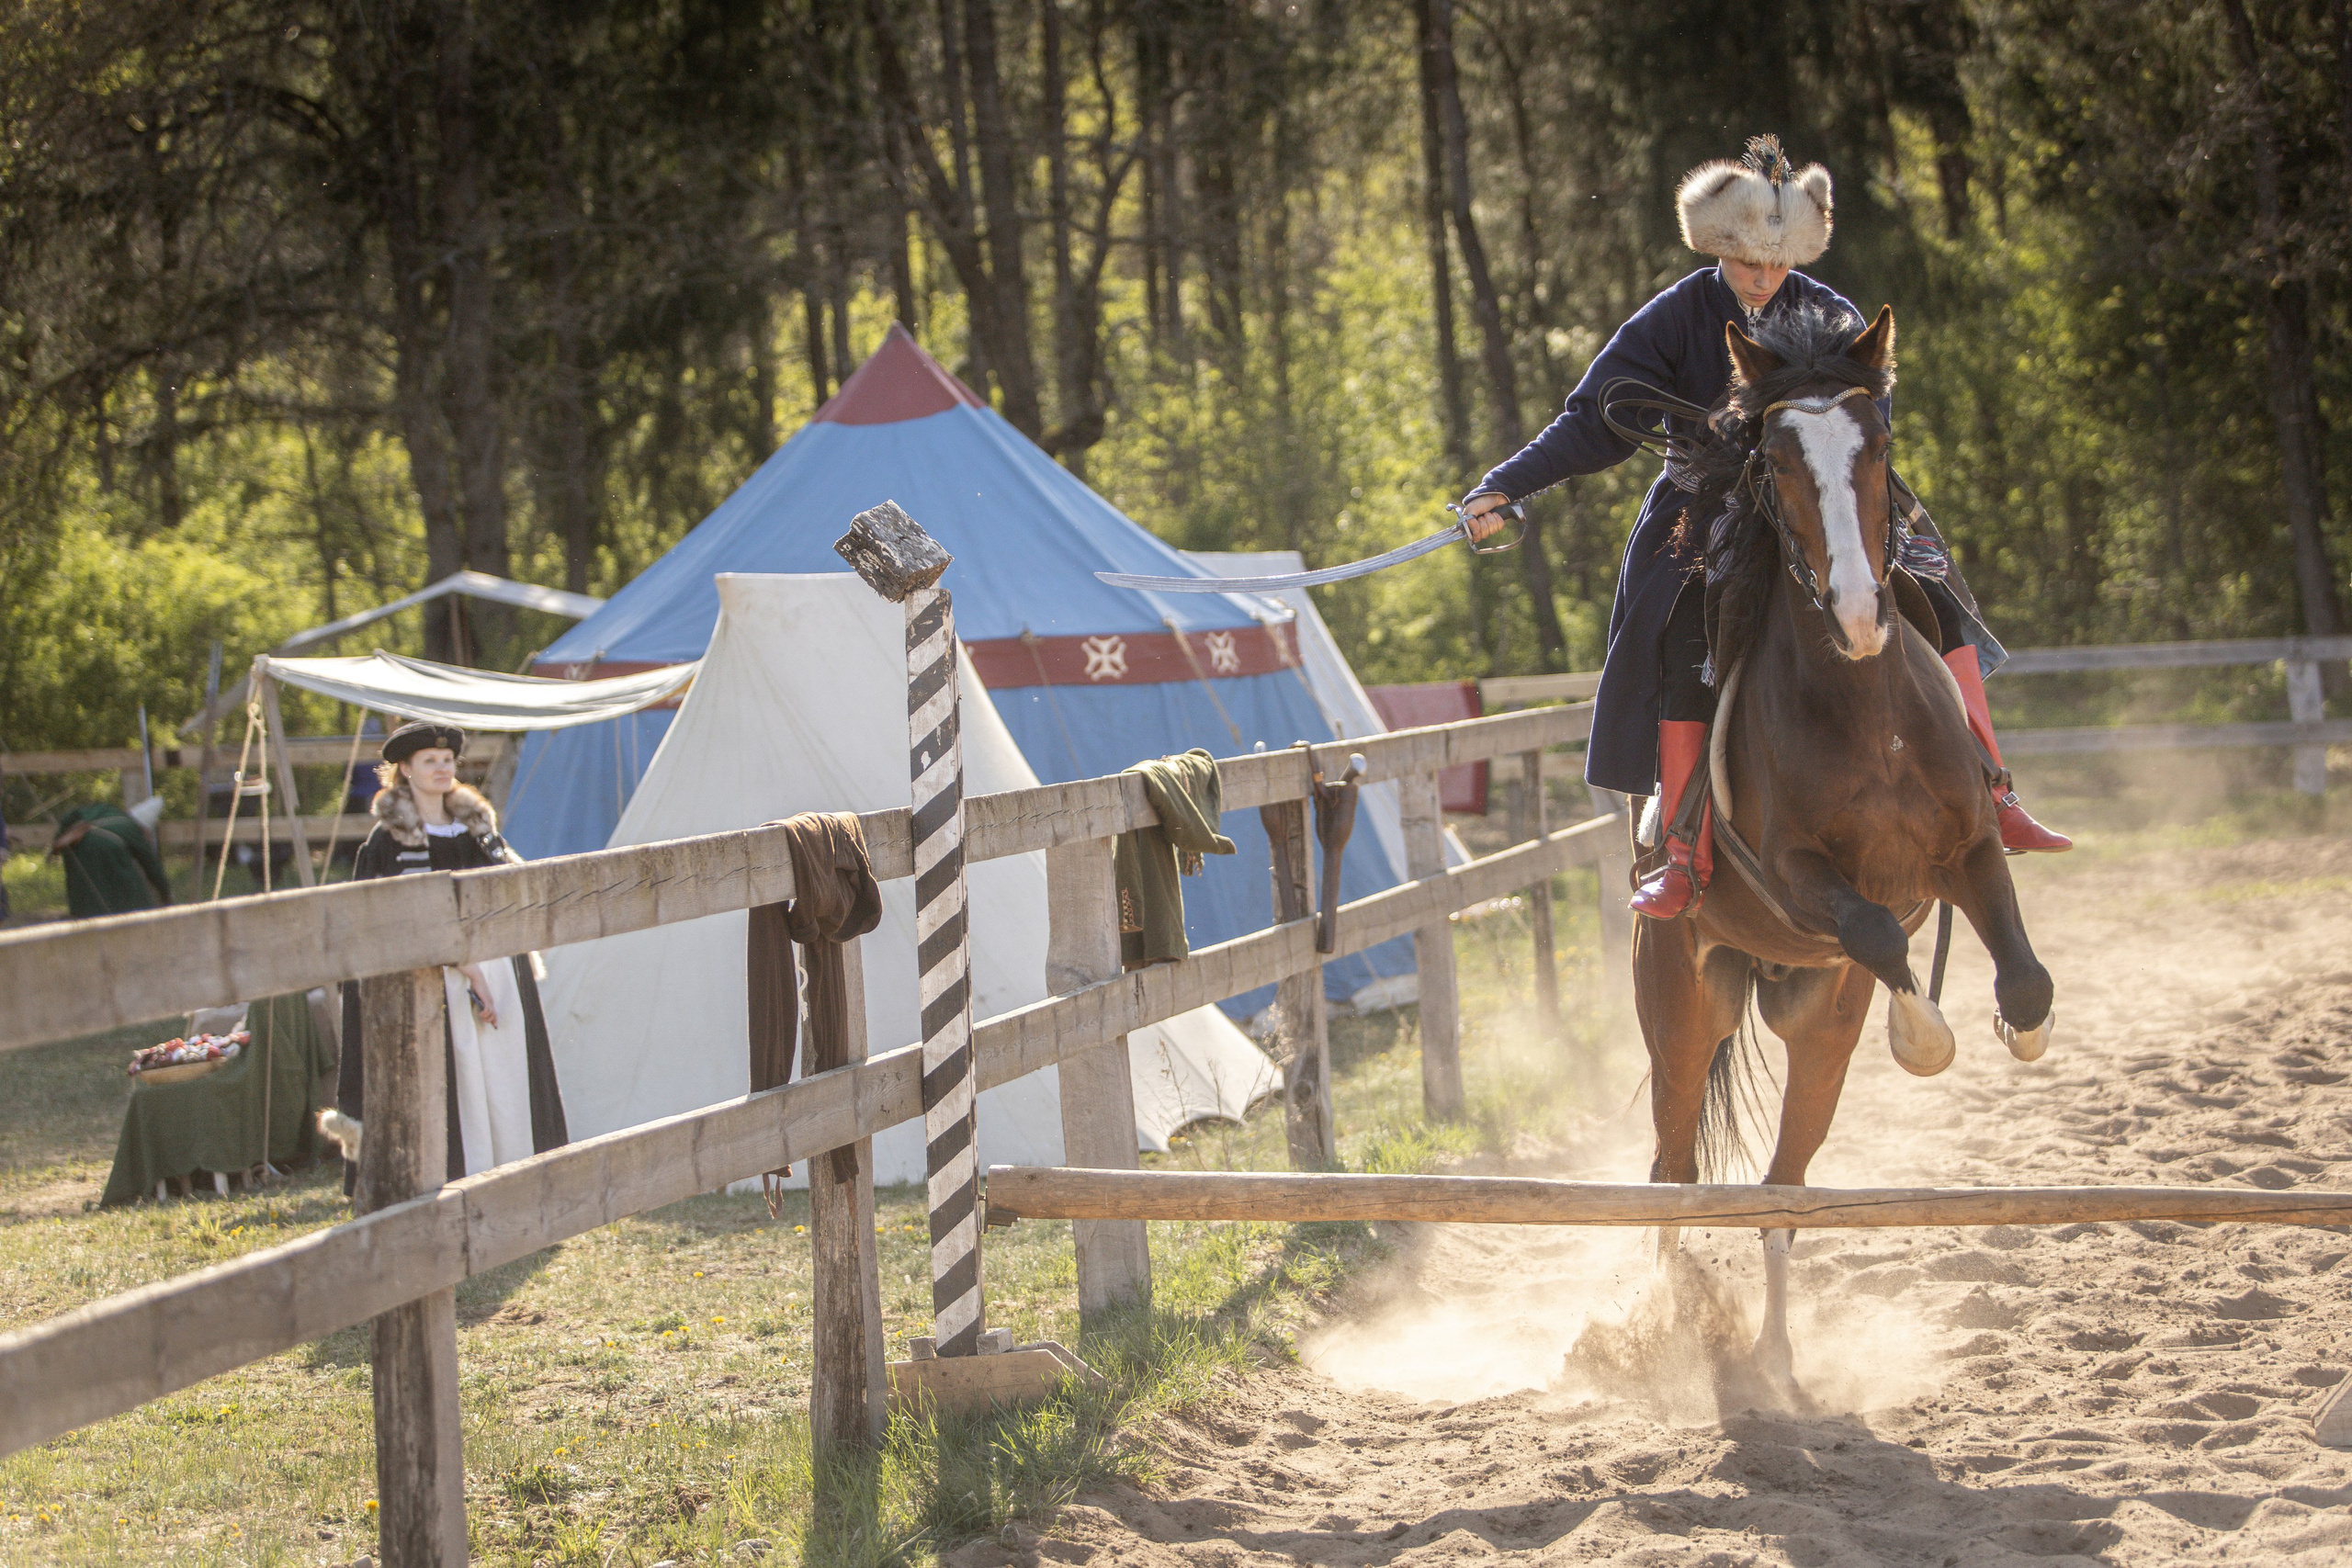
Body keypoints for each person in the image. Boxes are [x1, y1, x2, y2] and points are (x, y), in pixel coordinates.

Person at [1460, 134, 2067, 920]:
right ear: (1718, 248)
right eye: (1748, 260)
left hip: (1824, 504)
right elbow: (1593, 420)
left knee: (1937, 599)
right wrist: (1504, 485)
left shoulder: (1834, 315)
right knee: (1682, 639)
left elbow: (1866, 420)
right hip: (1702, 512)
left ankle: (1993, 788)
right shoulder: (1674, 318)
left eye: (1778, 262)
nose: (1764, 276)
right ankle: (1681, 851)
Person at [334, 720, 567, 1185]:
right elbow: (385, 921)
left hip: (498, 972)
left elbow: (509, 891)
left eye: (447, 761)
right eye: (428, 762)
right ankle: (453, 1175)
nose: (441, 769)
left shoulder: (477, 830)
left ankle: (517, 1174)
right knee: (453, 1084)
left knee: (504, 1082)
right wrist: (463, 966)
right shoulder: (387, 843)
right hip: (430, 983)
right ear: (404, 769)